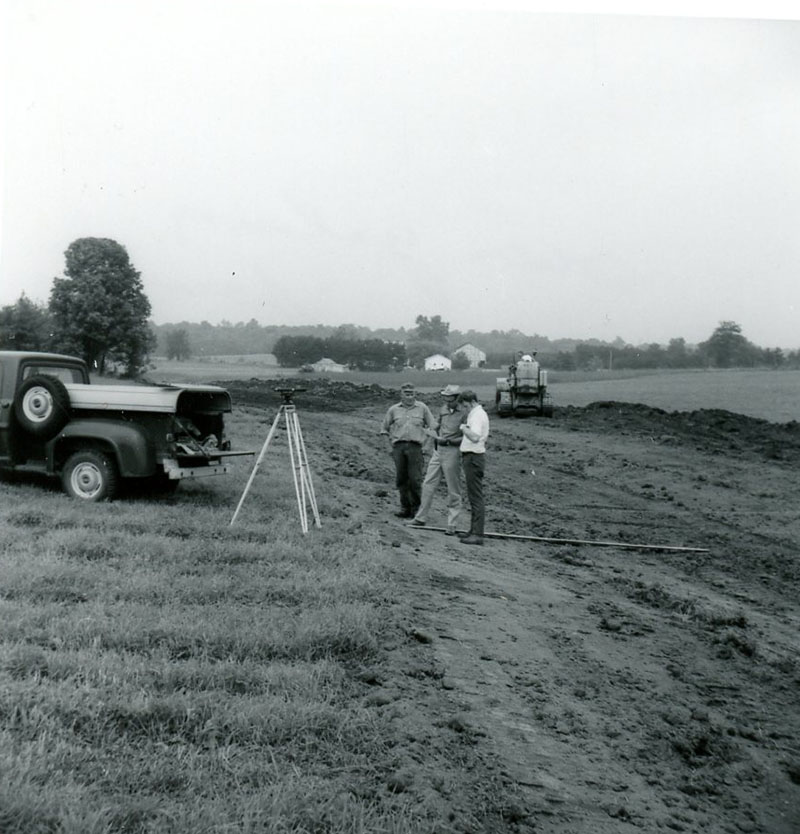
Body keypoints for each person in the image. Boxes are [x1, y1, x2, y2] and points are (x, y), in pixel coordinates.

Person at [408, 384, 465, 535]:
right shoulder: (443, 409)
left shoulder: (465, 412)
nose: (447, 401)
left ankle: (452, 524)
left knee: (453, 489)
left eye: (450, 398)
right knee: (428, 484)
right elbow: (437, 426)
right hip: (438, 451)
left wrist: (449, 442)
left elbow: (466, 436)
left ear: (457, 398)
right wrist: (429, 431)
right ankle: (420, 518)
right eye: (445, 398)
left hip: (452, 452)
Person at [380, 383, 435, 518]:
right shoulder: (393, 410)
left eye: (412, 393)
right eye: (407, 393)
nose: (410, 396)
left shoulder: (422, 408)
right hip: (399, 448)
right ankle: (405, 508)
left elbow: (433, 427)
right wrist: (388, 448)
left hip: (416, 448)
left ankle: (417, 510)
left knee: (415, 480)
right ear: (401, 395)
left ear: (415, 394)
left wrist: (427, 446)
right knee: (401, 479)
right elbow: (384, 430)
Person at [457, 389, 490, 545]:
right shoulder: (476, 413)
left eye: (465, 406)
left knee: (475, 496)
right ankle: (473, 530)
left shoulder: (477, 415)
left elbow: (475, 437)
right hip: (472, 457)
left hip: (473, 457)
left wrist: (464, 428)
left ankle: (477, 534)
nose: (464, 409)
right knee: (473, 495)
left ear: (471, 402)